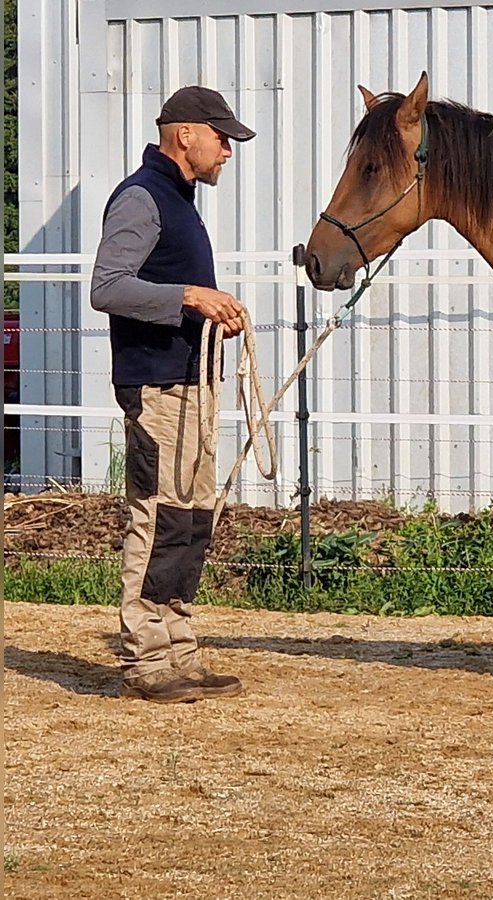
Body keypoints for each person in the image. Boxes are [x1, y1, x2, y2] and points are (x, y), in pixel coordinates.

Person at [90, 86, 255, 703]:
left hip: (187, 382)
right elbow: (107, 287)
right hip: (155, 387)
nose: (227, 152)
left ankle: (178, 650)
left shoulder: (175, 200)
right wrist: (190, 297)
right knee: (158, 518)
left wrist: (213, 311)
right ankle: (145, 657)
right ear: (186, 134)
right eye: (222, 138)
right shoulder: (143, 197)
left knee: (190, 520)